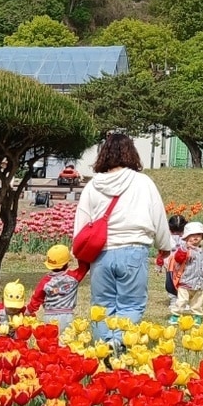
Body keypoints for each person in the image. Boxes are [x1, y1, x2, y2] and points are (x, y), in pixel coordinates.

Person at [72, 132, 176, 344]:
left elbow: (81, 223)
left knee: (101, 305)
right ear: (131, 154)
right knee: (131, 303)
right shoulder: (143, 182)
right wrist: (165, 245)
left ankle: (103, 346)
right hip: (134, 250)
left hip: (101, 253)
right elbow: (158, 216)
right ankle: (118, 345)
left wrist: (81, 253)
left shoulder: (93, 185)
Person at [27, 244, 85, 334]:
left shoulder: (45, 281)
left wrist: (29, 310)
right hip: (67, 316)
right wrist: (79, 253)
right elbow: (84, 267)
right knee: (66, 342)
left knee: (51, 342)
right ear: (67, 263)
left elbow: (37, 298)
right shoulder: (73, 277)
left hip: (49, 316)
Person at [168, 221, 203, 324]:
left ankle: (197, 316)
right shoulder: (184, 249)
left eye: (198, 235)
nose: (195, 237)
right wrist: (186, 249)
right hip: (186, 281)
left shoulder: (202, 251)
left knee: (197, 301)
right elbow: (178, 258)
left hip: (199, 282)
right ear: (186, 238)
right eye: (192, 235)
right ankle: (176, 315)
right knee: (181, 300)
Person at [155, 214, 187, 299]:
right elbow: (162, 251)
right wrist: (159, 263)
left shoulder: (185, 237)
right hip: (172, 263)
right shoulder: (168, 237)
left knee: (179, 280)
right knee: (174, 280)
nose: (176, 234)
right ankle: (174, 297)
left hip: (178, 262)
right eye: (174, 231)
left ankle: (181, 298)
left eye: (179, 231)